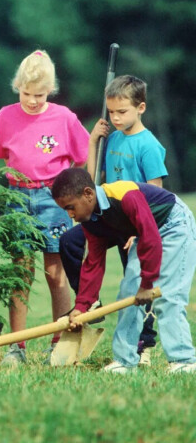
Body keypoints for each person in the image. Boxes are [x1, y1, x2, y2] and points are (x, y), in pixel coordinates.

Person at [59, 75, 167, 365]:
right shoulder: (113, 137)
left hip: (135, 220)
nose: (116, 118)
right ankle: (89, 301)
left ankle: (144, 344)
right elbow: (91, 182)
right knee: (69, 242)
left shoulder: (149, 145)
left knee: (135, 277)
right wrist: (94, 141)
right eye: (112, 112)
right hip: (107, 215)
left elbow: (155, 190)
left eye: (123, 112)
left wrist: (140, 231)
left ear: (141, 108)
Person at [0, 49, 89, 366]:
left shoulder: (64, 118)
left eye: (40, 94)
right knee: (20, 271)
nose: (33, 100)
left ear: (50, 90)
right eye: (26, 93)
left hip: (53, 198)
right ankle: (16, 348)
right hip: (18, 197)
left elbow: (82, 154)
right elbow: (3, 154)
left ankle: (58, 344)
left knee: (54, 272)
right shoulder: (5, 116)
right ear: (17, 86)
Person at [52, 167, 196, 374]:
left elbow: (150, 237)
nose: (70, 214)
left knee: (169, 297)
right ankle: (125, 360)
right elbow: (93, 262)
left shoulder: (125, 196)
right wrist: (82, 306)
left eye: (70, 207)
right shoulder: (91, 221)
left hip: (174, 225)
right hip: (146, 234)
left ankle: (184, 360)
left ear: (88, 194)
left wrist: (147, 284)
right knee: (128, 294)